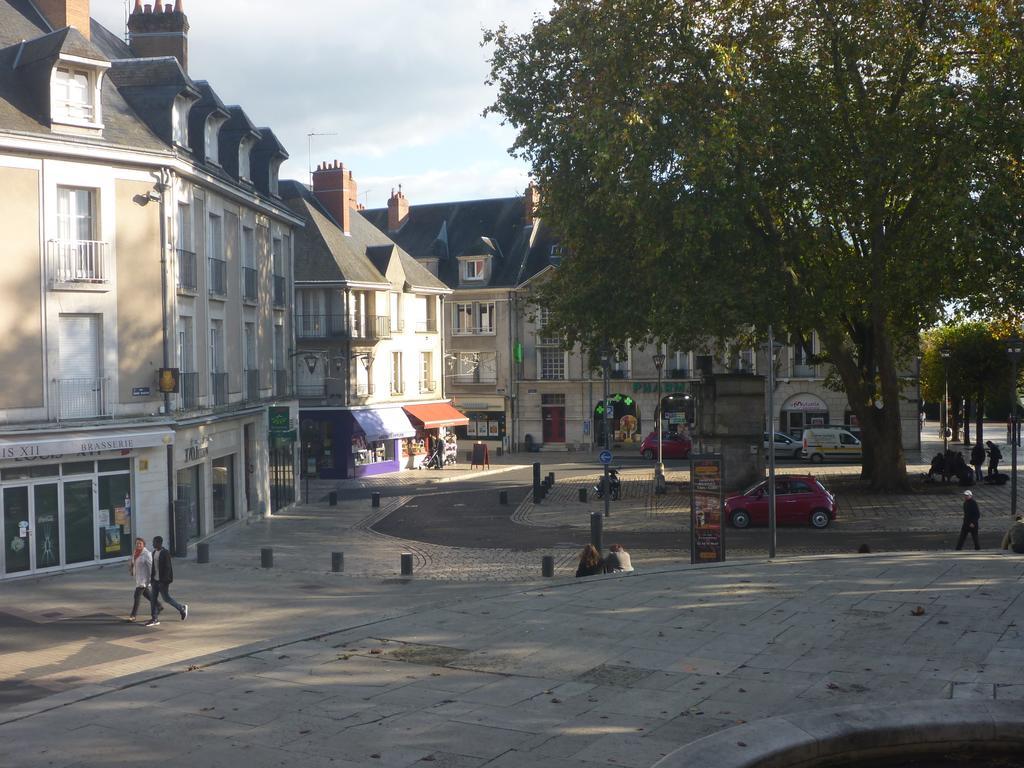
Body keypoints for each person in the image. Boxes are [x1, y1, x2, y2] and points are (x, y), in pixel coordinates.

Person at [147, 535, 188, 627]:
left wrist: (164, 581)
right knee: (153, 599)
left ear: (159, 543)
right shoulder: (153, 553)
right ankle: (154, 618)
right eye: (153, 542)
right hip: (155, 581)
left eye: (154, 542)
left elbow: (168, 568)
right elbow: (154, 567)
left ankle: (181, 608)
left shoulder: (165, 553)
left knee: (166, 598)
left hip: (163, 581)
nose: (153, 544)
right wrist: (152, 579)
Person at [127, 537, 162, 622]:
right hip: (138, 578)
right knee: (147, 594)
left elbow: (151, 567)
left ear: (143, 545)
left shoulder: (147, 554)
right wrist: (131, 569)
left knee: (136, 596)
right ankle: (159, 605)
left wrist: (152, 578)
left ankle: (133, 616)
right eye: (137, 543)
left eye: (140, 543)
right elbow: (133, 563)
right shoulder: (135, 552)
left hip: (144, 579)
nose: (138, 545)